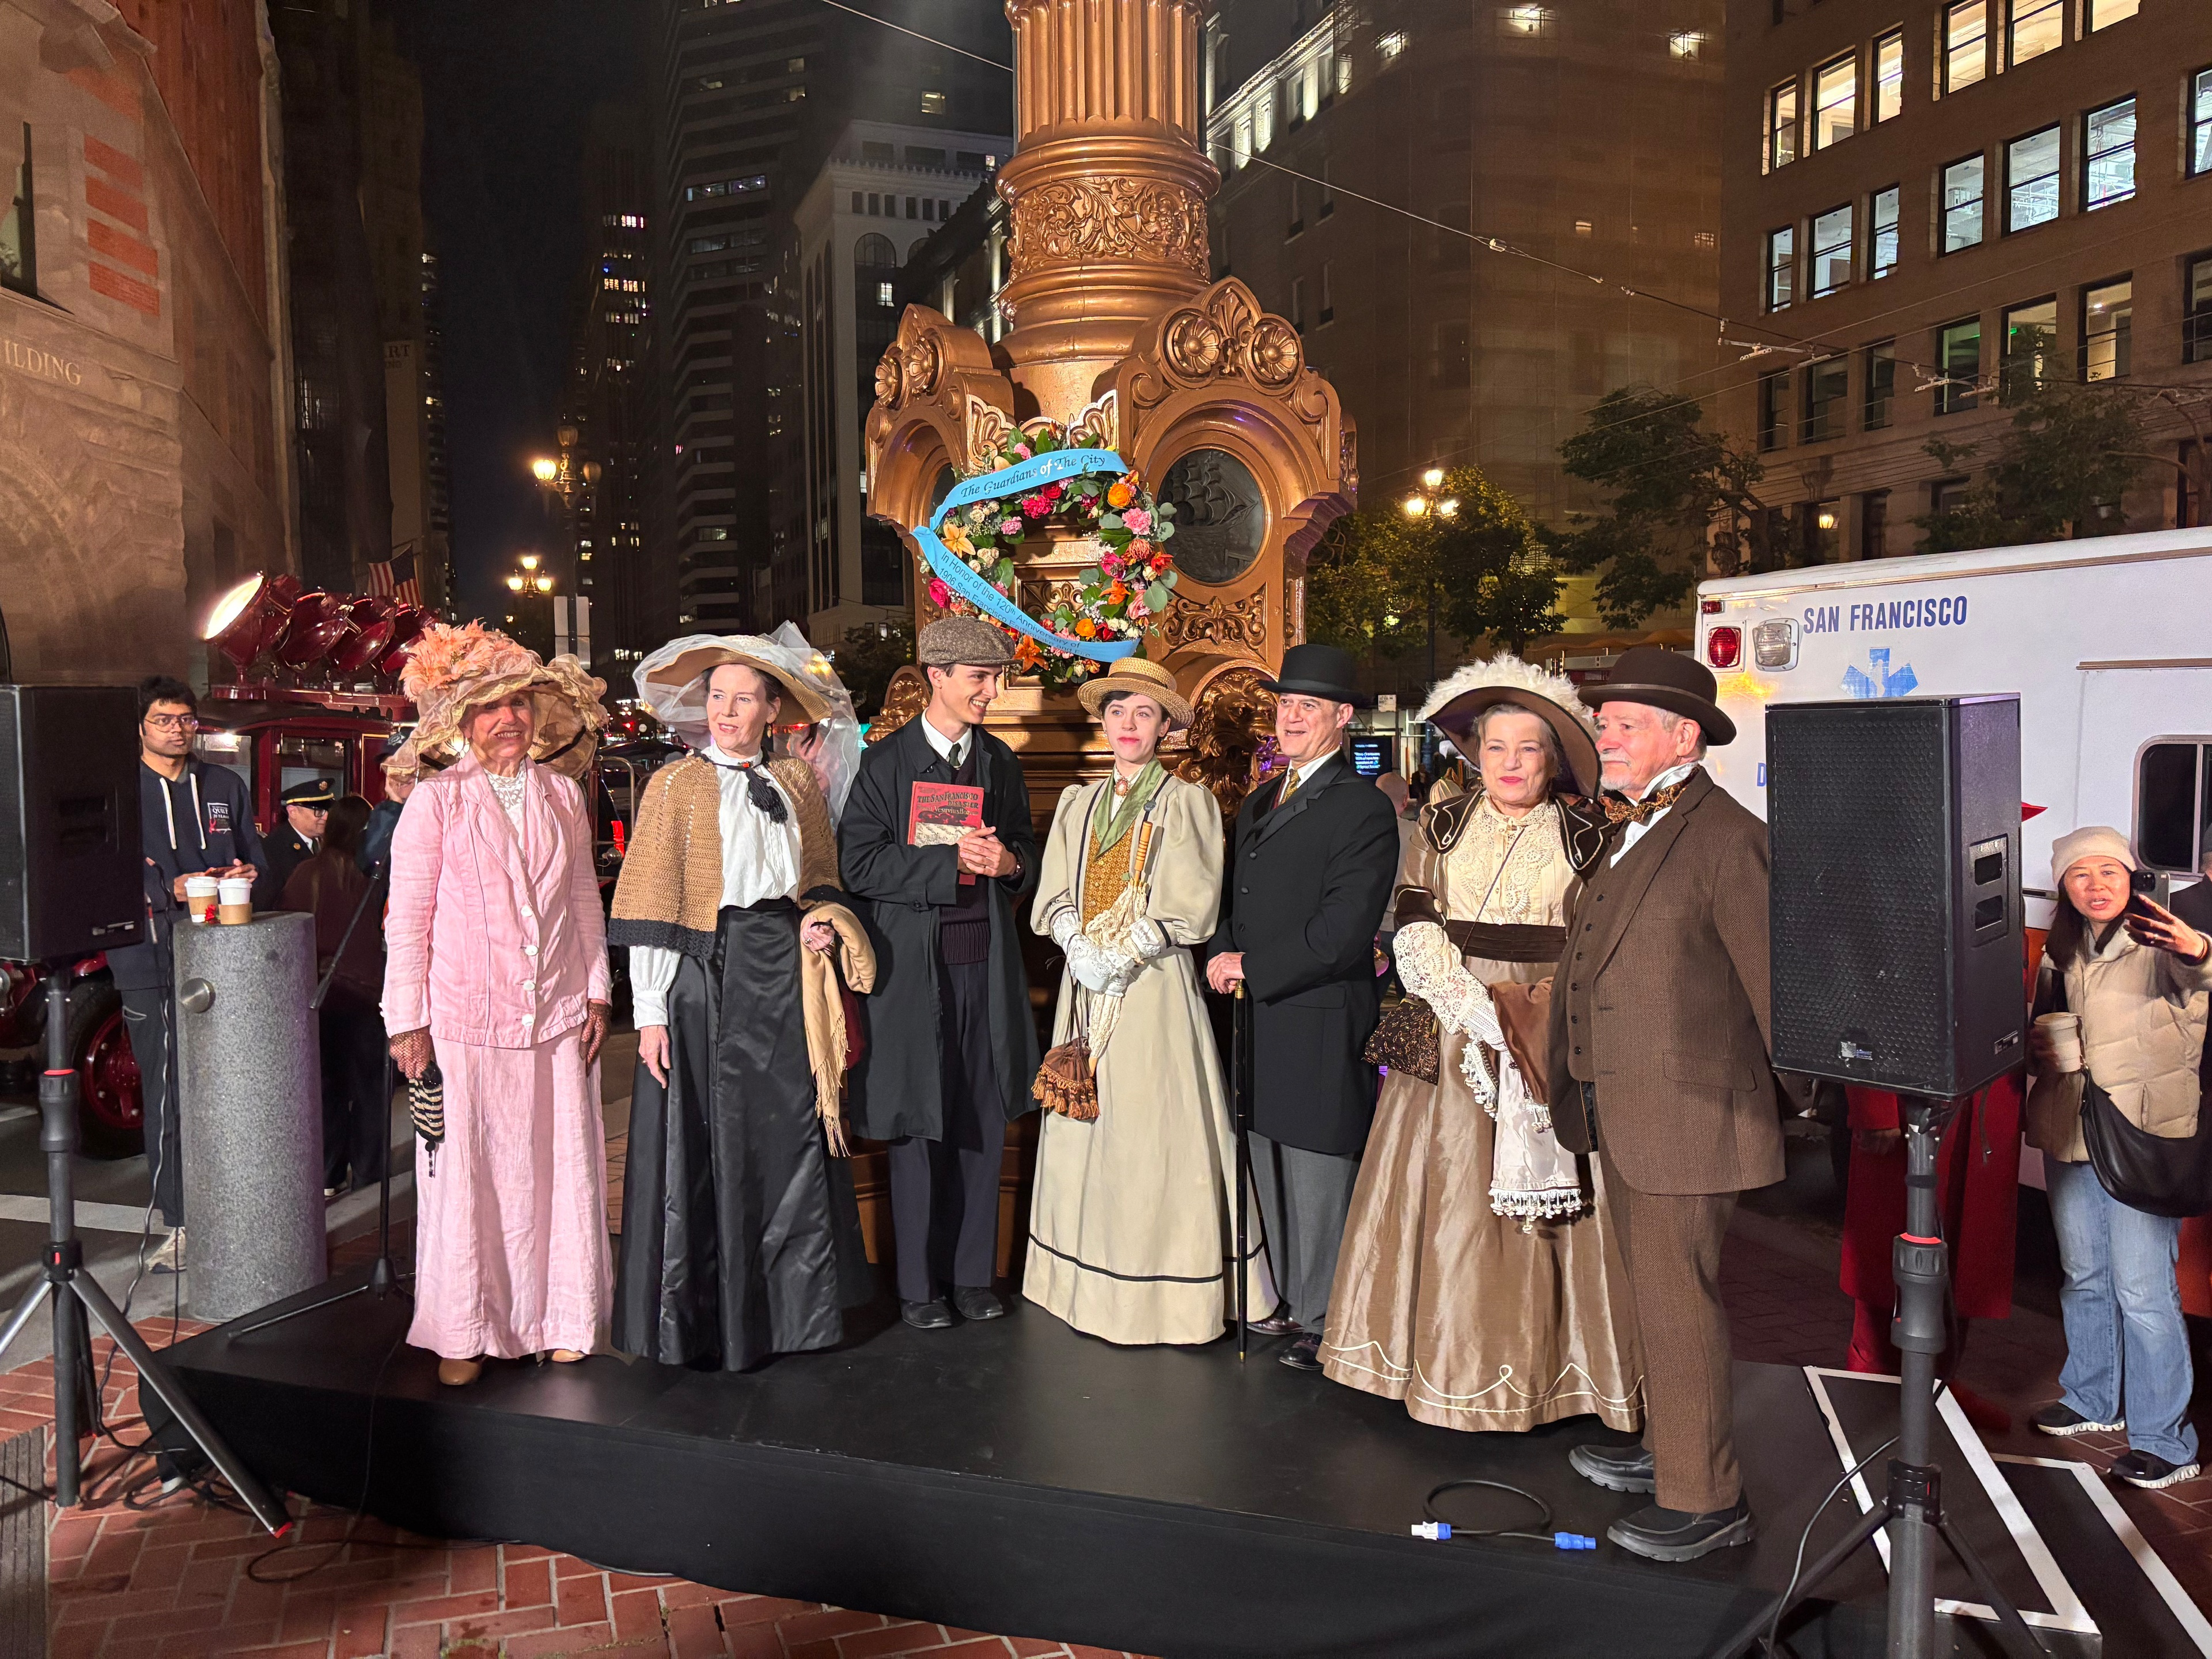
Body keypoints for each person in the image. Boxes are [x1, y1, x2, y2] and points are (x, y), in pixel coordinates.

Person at [1321, 658, 1642, 1433]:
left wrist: (1529, 1017)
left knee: (1555, 1215)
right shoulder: (1438, 823)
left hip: (1547, 1030)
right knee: (1444, 1202)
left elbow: (1601, 940)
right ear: (1475, 754)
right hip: (1453, 1024)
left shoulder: (1592, 833)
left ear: (1552, 757)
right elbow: (1414, 911)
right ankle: (1433, 1364)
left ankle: (1550, 1376)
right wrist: (1460, 996)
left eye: (1527, 749)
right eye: (1495, 747)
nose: (1509, 764)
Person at [1547, 645, 1779, 1563]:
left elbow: (1773, 988)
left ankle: (1706, 1498)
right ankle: (1668, 1447)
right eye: (1605, 724)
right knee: (1649, 1292)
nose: (1604, 736)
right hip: (1627, 1107)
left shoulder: (1729, 837)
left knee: (1681, 1300)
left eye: (1622, 724)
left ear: (1683, 738)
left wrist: (1798, 1105)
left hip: (1689, 1113)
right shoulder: (1634, 825)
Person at [608, 635, 875, 1370]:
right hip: (705, 975)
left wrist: (822, 919)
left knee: (786, 1137)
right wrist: (652, 1011)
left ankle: (793, 1317)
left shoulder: (797, 782)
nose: (727, 710)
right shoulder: (673, 786)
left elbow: (820, 878)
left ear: (773, 709)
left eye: (744, 697)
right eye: (717, 696)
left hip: (783, 972)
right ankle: (711, 1322)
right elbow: (653, 906)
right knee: (708, 1137)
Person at [381, 624, 613, 1387]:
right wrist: (406, 1022)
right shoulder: (436, 803)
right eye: (489, 710)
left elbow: (582, 897)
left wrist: (596, 991)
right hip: (464, 1024)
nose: (507, 720)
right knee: (467, 1178)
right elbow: (408, 919)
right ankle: (463, 1329)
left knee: (557, 1173)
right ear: (460, 723)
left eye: (518, 705)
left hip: (553, 1021)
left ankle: (562, 1320)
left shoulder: (561, 795)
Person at [1025, 656, 1274, 1345]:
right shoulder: (1079, 802)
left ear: (1166, 726)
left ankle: (1166, 1293)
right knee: (1088, 1131)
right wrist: (1077, 941)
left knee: (1150, 1134)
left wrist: (1126, 950)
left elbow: (1193, 902)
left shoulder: (1185, 801)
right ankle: (1084, 1286)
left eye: (1144, 713)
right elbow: (1052, 893)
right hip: (1084, 986)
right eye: (1117, 712)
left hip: (1152, 985)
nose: (1129, 725)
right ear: (1102, 723)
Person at [839, 618, 1040, 1331]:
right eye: (979, 678)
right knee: (918, 1121)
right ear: (937, 677)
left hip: (984, 969)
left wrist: (1009, 865)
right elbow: (857, 866)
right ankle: (920, 1290)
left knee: (982, 1119)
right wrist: (948, 863)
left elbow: (1026, 854)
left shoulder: (1001, 763)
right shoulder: (884, 765)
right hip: (911, 976)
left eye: (997, 678)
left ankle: (973, 1277)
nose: (992, 692)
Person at [1205, 642, 1400, 1372]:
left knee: (1318, 1169)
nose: (1289, 718)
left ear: (1342, 718)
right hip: (1258, 1015)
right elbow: (1235, 898)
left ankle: (1327, 1317)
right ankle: (1288, 1300)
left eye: (1307, 707)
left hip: (1318, 1013)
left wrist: (1251, 965)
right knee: (1267, 1155)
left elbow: (1344, 930)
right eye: (1285, 705)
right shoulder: (1262, 797)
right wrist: (1222, 952)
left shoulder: (1360, 809)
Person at [2024, 826, 2211, 1489]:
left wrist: (2197, 948)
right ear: (2065, 889)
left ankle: (2167, 1440)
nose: (2097, 885)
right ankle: (2092, 1399)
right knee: (2085, 1276)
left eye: (2110, 871)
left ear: (2132, 878)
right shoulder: (2062, 949)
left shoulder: (2160, 939)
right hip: (2071, 1126)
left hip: (2142, 1132)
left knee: (2144, 1292)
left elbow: (2199, 973)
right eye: (2081, 875)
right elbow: (2040, 1026)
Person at [108, 675, 267, 1263]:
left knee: (234, 1082)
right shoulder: (121, 789)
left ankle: (241, 1204)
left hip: (226, 951)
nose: (177, 729)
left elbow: (255, 852)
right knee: (169, 1087)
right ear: (141, 727)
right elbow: (97, 871)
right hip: (149, 954)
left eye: (186, 719)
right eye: (164, 720)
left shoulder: (223, 783)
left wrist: (250, 874)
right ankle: (179, 1222)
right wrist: (164, 888)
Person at [283, 795, 388, 1197]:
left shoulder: (306, 873)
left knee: (327, 1089)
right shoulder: (377, 879)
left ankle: (327, 1175)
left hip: (323, 996)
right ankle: (368, 1174)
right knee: (370, 1090)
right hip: (370, 998)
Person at [261, 778, 334, 907]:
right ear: (293, 812)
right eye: (318, 811)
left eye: (328, 810)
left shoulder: (323, 843)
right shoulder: (276, 847)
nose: (326, 817)